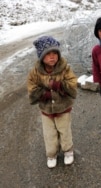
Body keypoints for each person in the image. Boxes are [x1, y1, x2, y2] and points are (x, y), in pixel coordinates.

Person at [27, 36, 77, 168]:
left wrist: (60, 85)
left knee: (64, 130)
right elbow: (31, 86)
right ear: (41, 56)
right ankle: (51, 154)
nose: (52, 57)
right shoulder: (36, 72)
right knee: (49, 133)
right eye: (48, 54)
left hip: (63, 107)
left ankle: (68, 151)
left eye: (54, 53)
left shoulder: (64, 68)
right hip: (46, 109)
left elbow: (72, 82)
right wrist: (43, 94)